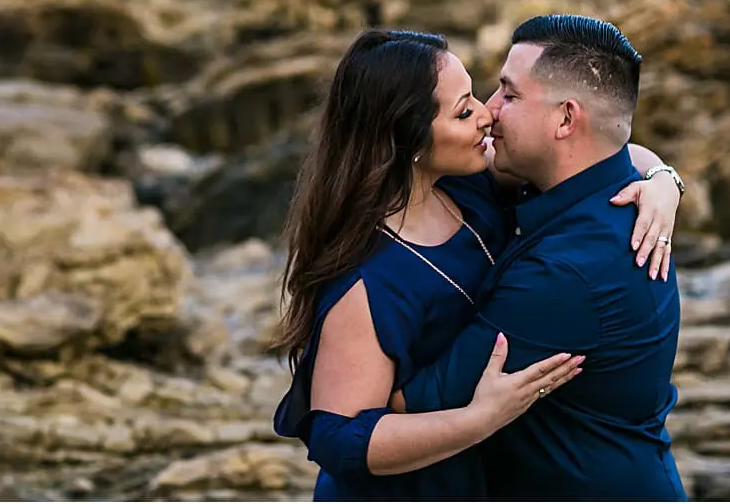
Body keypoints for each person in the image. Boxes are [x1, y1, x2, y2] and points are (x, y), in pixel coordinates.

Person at [270, 26, 683, 501]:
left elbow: (611, 149)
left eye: (502, 93)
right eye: (465, 109)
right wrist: (475, 420)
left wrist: (663, 180)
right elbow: (339, 436)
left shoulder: (474, 191)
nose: (488, 112)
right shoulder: (372, 276)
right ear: (412, 140)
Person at [391, 15, 686, 500]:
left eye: (509, 94)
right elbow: (625, 151)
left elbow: (411, 405)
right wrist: (664, 176)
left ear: (566, 119)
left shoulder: (568, 272)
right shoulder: (601, 192)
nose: (489, 111)